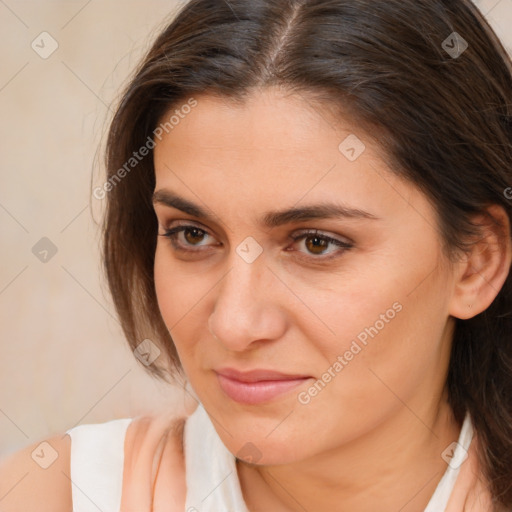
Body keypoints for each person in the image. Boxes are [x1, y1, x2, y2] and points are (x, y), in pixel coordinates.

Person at [1, 0, 512, 510]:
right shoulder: (51, 495)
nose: (234, 323)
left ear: (475, 262)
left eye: (316, 243)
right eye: (193, 235)